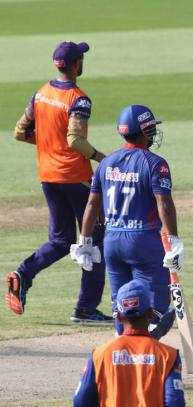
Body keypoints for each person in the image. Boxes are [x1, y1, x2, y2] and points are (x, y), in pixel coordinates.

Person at [6, 41, 111, 323]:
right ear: (76, 64)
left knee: (61, 240)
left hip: (48, 176)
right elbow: (75, 140)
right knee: (95, 239)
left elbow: (21, 131)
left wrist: (50, 147)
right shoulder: (79, 99)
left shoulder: (41, 93)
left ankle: (22, 274)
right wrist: (104, 158)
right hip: (76, 177)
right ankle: (85, 309)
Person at [70, 105, 181, 339]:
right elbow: (164, 204)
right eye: (150, 128)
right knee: (157, 308)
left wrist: (85, 240)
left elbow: (92, 205)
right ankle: (145, 353)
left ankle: (123, 356)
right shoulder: (155, 163)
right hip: (143, 241)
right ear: (142, 131)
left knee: (122, 306)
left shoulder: (106, 163)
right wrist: (173, 239)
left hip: (112, 241)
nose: (153, 133)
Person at [73, 279, 185, 407]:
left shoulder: (99, 355)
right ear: (149, 313)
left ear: (119, 317)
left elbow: (81, 401)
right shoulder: (168, 355)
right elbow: (175, 402)